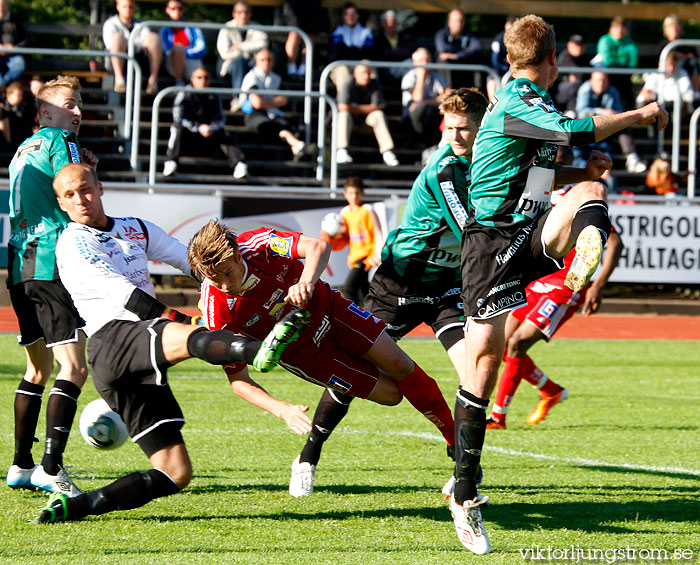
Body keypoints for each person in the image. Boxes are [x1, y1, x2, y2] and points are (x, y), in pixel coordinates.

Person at [455, 14, 668, 555]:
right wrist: (640, 114)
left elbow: (536, 174)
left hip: (528, 226)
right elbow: (576, 130)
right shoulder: (517, 102)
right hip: (490, 240)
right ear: (552, 61)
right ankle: (464, 490)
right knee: (483, 359)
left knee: (590, 190)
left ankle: (585, 252)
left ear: (511, 56)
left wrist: (580, 172)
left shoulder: (536, 104)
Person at [34, 163, 305, 524]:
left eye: (85, 189)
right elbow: (129, 298)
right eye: (70, 195)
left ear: (99, 188)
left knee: (175, 472)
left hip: (141, 352)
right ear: (61, 203)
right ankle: (261, 349)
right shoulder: (72, 243)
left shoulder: (135, 228)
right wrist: (184, 320)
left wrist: (230, 280)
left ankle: (79, 506)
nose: (80, 199)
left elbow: (186, 259)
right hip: (112, 341)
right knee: (193, 336)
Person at [291, 88, 488, 498]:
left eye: (464, 129)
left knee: (474, 374)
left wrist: (578, 176)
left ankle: (463, 474)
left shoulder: (487, 163)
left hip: (445, 287)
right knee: (352, 374)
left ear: (482, 127)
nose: (455, 136)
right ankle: (308, 456)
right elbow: (473, 234)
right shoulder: (445, 170)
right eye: (449, 128)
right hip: (399, 285)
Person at [187, 220, 457, 491]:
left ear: (236, 255)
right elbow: (239, 381)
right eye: (213, 278)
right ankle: (305, 458)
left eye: (226, 273)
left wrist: (306, 281)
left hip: (329, 309)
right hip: (307, 355)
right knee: (392, 395)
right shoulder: (216, 311)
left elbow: (318, 247)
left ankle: (457, 444)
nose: (223, 284)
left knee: (400, 365)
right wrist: (283, 410)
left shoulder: (258, 245)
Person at [5, 76, 99, 497]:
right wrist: (90, 173)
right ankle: (51, 467)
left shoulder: (23, 148)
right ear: (45, 112)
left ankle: (21, 465)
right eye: (68, 105)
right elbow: (75, 190)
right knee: (74, 368)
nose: (76, 113)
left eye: (79, 105)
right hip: (48, 262)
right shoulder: (61, 139)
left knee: (37, 369)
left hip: (18, 265)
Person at [486, 207, 623, 429]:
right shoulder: (542, 191)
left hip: (566, 285)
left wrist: (598, 284)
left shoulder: (580, 196)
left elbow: (616, 242)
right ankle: (550, 391)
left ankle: (497, 417)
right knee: (502, 343)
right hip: (539, 279)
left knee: (517, 343)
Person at [163, 67, 248, 179]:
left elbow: (220, 118)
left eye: (206, 77)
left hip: (209, 134)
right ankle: (171, 162)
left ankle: (238, 164)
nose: (203, 80)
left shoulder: (214, 95)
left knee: (224, 133)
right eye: (199, 77)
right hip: (189, 133)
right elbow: (178, 117)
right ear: (192, 79)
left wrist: (211, 128)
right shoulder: (184, 94)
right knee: (177, 128)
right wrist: (198, 128)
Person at [239, 49, 315, 162]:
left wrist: (266, 103)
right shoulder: (251, 77)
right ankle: (297, 145)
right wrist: (272, 103)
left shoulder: (276, 78)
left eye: (269, 60)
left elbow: (284, 100)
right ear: (256, 62)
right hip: (253, 114)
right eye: (262, 60)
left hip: (272, 114)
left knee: (291, 124)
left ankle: (297, 148)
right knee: (273, 126)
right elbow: (257, 103)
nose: (266, 62)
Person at [322, 176, 381, 305]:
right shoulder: (344, 213)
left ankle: (357, 318)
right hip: (354, 258)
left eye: (356, 193)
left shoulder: (367, 210)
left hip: (365, 257)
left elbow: (377, 233)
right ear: (345, 194)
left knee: (349, 288)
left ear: (362, 193)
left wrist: (375, 256)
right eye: (350, 193)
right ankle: (370, 318)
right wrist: (331, 239)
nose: (353, 196)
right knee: (363, 291)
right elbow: (344, 241)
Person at [576, 71, 647, 173]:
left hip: (607, 126)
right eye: (598, 80)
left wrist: (611, 115)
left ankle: (632, 158)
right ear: (591, 81)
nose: (601, 83)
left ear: (608, 81)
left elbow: (619, 113)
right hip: (588, 126)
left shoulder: (612, 91)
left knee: (624, 125)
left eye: (604, 80)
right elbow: (582, 113)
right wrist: (602, 112)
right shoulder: (585, 89)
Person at [336, 63, 399, 167]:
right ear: (355, 74)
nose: (366, 76)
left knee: (378, 114)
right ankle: (341, 150)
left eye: (368, 73)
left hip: (367, 121)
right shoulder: (348, 82)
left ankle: (387, 152)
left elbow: (377, 107)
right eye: (363, 73)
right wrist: (366, 108)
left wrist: (354, 107)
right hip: (351, 120)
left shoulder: (374, 83)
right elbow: (342, 106)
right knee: (343, 115)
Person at [102, 0, 162, 94]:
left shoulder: (141, 24)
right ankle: (119, 80)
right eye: (124, 6)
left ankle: (153, 80)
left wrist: (126, 43)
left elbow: (148, 39)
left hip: (139, 60)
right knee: (118, 38)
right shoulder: (110, 24)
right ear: (118, 7)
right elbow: (111, 45)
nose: (128, 9)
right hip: (117, 62)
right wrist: (128, 42)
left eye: (130, 6)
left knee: (154, 38)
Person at [217, 0, 268, 101]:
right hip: (230, 65)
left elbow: (263, 45)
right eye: (240, 12)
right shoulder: (226, 28)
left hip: (252, 63)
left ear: (250, 14)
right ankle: (239, 98)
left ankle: (261, 100)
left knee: (264, 63)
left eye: (246, 12)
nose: (243, 15)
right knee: (239, 62)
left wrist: (240, 46)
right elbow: (225, 53)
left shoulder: (257, 27)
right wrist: (247, 52)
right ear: (234, 14)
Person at [401, 47, 448, 149]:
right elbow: (417, 99)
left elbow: (448, 95)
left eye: (427, 60)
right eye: (422, 60)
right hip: (412, 116)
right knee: (420, 108)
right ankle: (420, 144)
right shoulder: (409, 77)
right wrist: (421, 76)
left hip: (432, 113)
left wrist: (427, 102)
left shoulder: (435, 76)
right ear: (415, 62)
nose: (426, 63)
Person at [159, 0, 207, 85]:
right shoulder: (164, 29)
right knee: (178, 48)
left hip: (191, 60)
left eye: (179, 9)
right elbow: (165, 50)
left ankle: (199, 95)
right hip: (172, 61)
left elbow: (202, 48)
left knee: (201, 75)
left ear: (183, 10)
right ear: (167, 10)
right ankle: (179, 81)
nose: (176, 11)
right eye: (173, 8)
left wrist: (184, 53)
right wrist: (180, 52)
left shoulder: (193, 28)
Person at [595, 17, 638, 108]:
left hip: (624, 77)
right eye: (616, 27)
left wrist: (616, 61)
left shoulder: (631, 43)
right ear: (611, 29)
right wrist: (624, 61)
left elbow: (633, 63)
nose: (620, 30)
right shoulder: (605, 40)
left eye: (622, 27)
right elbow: (607, 61)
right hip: (608, 76)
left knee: (626, 86)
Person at [329, 2, 374, 89]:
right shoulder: (338, 31)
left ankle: (373, 101)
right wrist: (357, 50)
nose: (351, 16)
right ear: (343, 16)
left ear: (358, 15)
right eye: (347, 14)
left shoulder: (366, 32)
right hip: (343, 64)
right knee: (341, 71)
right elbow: (338, 53)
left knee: (370, 71)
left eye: (353, 14)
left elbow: (367, 53)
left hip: (361, 64)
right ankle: (344, 101)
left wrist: (349, 50)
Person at [434, 9, 482, 88]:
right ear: (449, 22)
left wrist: (456, 56)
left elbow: (477, 48)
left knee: (476, 59)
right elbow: (443, 49)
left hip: (464, 67)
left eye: (461, 20)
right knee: (442, 60)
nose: (458, 23)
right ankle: (447, 90)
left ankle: (474, 92)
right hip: (448, 70)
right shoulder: (441, 34)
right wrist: (465, 51)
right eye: (456, 20)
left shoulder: (469, 34)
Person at [280, 0, 326, 78]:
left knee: (310, 34)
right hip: (294, 3)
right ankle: (291, 67)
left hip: (312, 4)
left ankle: (304, 67)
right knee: (294, 32)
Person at [656, 14, 699, 95]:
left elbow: (693, 56)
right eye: (671, 27)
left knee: (693, 64)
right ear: (665, 29)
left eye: (676, 26)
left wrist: (680, 56)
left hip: (685, 72)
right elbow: (662, 59)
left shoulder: (686, 43)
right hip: (669, 72)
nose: (674, 29)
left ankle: (696, 94)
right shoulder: (664, 45)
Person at [373, 10, 416, 83]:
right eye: (387, 22)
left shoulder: (405, 37)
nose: (391, 25)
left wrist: (390, 53)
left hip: (404, 66)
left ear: (397, 23)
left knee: (413, 66)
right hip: (387, 69)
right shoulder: (378, 39)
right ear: (383, 24)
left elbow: (408, 52)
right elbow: (381, 55)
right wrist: (399, 53)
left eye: (393, 22)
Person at [554, 34, 590, 117]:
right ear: (569, 45)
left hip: (577, 89)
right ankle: (571, 111)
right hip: (560, 92)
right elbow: (580, 75)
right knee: (577, 83)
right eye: (576, 45)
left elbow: (588, 75)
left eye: (581, 45)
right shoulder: (565, 57)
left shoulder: (584, 58)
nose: (578, 47)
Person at [0, 81, 36, 152]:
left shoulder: (24, 108)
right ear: (9, 95)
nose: (21, 97)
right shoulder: (3, 109)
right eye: (18, 95)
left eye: (21, 95)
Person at [0, 0, 26, 87]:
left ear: (8, 7)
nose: (1, 8)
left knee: (19, 64)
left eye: (3, 5)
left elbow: (25, 39)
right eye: (0, 6)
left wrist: (15, 47)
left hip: (13, 55)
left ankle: (3, 85)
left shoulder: (15, 21)